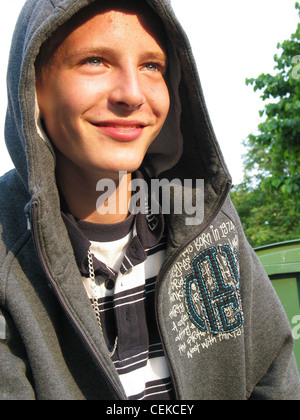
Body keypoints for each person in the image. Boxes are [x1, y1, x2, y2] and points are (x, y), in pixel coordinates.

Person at [0, 0, 299, 401]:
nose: (132, 94)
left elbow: (273, 376)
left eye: (151, 66)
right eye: (94, 60)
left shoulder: (205, 217)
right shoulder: (7, 256)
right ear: (32, 85)